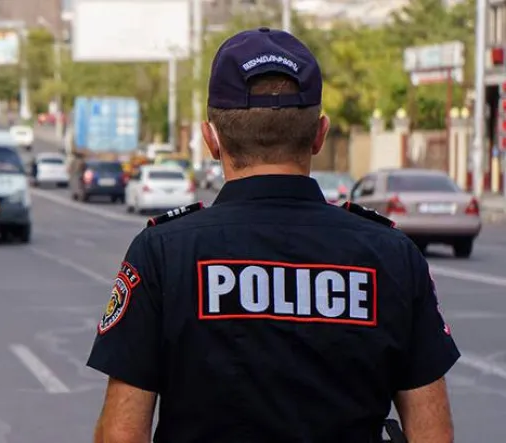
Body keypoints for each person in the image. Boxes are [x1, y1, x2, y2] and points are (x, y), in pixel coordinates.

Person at [86, 28, 458, 443]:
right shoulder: (391, 255)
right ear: (319, 135)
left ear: (211, 139)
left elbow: (122, 434)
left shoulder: (163, 252)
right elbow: (433, 435)